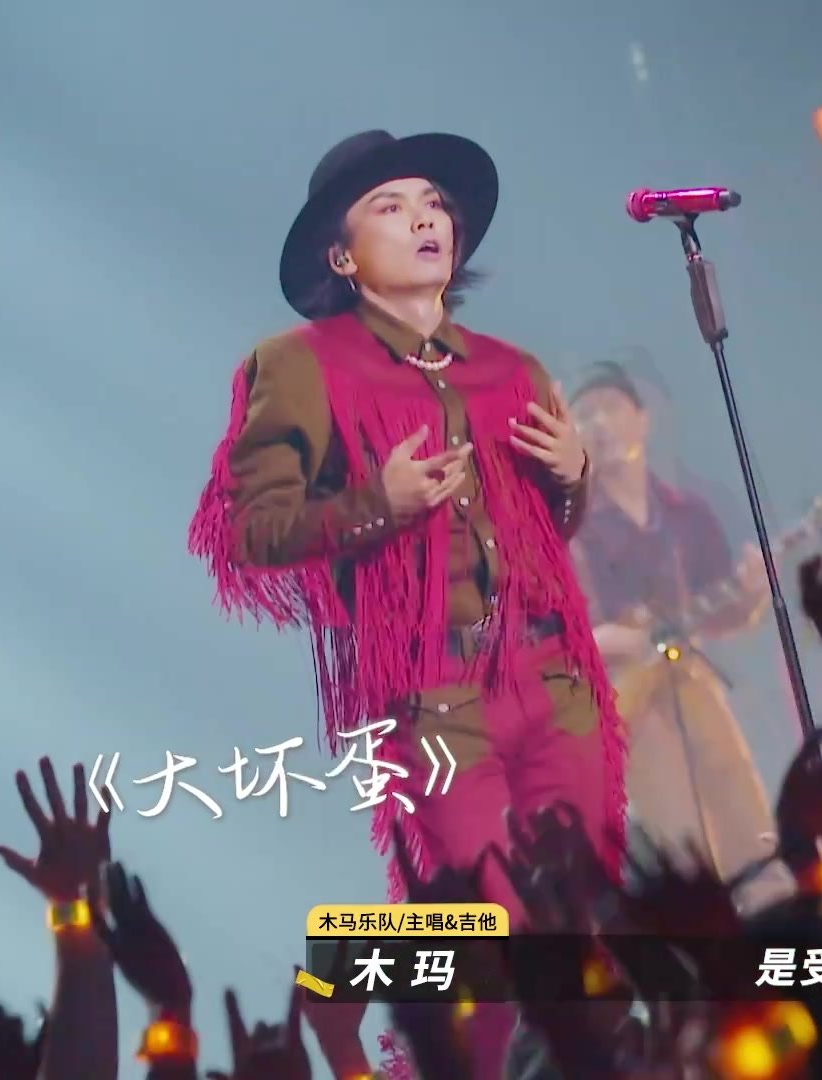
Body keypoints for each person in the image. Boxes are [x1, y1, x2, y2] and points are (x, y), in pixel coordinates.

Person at [188, 130, 625, 909]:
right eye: (390, 207)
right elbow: (251, 532)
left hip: (553, 672)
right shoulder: (298, 365)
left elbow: (547, 531)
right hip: (433, 692)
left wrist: (573, 475)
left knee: (583, 910)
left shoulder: (511, 367)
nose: (424, 219)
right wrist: (378, 507)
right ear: (341, 257)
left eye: (434, 203)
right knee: (489, 916)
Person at [565, 359, 782, 889]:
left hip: (691, 682)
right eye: (585, 415)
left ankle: (774, 911)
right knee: (683, 842)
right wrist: (599, 639)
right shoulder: (570, 529)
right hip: (628, 703)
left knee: (747, 817)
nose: (600, 423)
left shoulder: (687, 514)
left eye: (611, 408)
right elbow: (549, 634)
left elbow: (721, 611)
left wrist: (753, 590)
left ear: (642, 420)